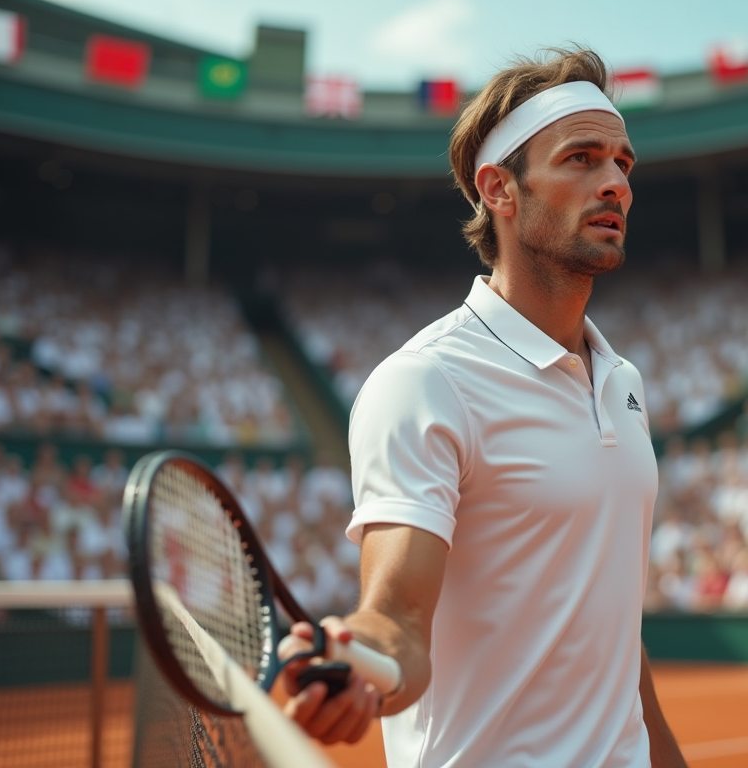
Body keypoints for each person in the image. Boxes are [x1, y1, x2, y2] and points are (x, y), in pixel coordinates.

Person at [279, 49, 686, 767]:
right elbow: (397, 615)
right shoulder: (423, 382)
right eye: (582, 158)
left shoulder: (623, 380)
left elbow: (612, 624)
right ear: (499, 189)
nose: (615, 183)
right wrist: (362, 663)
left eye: (623, 163)